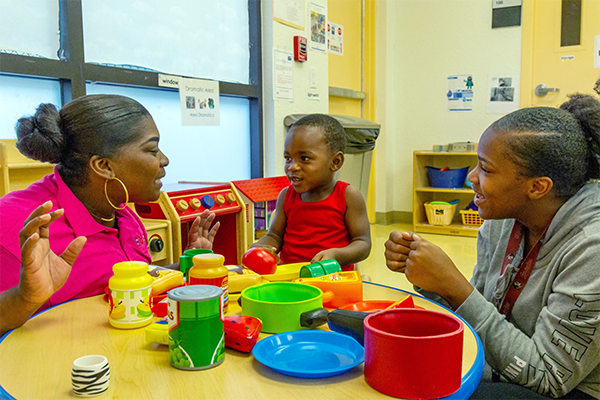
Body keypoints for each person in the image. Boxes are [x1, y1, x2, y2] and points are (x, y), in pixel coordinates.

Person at [385, 89, 600, 399]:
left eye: (485, 169)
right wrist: (430, 279)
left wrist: (455, 287)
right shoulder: (501, 219)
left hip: (568, 387)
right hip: (507, 366)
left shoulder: (590, 247)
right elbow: (481, 314)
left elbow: (549, 378)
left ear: (537, 188)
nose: (472, 177)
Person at [0, 95, 220, 337]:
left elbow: (131, 282)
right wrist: (24, 298)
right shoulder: (17, 224)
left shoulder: (121, 212)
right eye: (152, 150)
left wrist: (191, 263)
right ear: (104, 166)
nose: (164, 160)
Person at [252, 114, 371, 271]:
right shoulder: (286, 196)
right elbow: (275, 236)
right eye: (288, 158)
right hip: (290, 280)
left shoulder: (348, 196)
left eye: (304, 158)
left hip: (333, 281)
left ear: (335, 162)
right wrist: (263, 246)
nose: (292, 167)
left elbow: (363, 243)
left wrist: (336, 254)